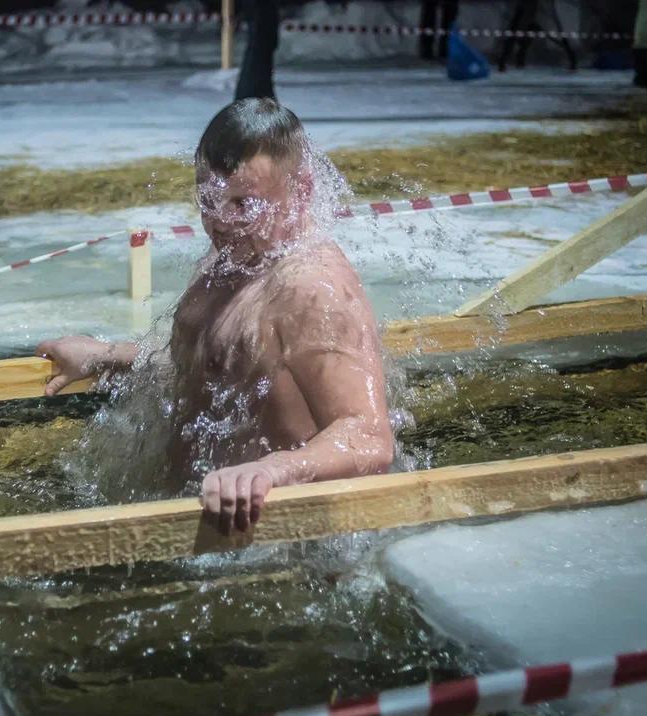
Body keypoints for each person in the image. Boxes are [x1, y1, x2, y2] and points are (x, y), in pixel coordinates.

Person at [37, 99, 394, 535]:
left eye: (244, 203)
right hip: (192, 532)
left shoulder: (313, 287)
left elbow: (369, 436)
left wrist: (272, 471)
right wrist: (106, 356)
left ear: (300, 192)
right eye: (209, 200)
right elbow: (214, 371)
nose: (220, 222)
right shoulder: (234, 257)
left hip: (273, 545)